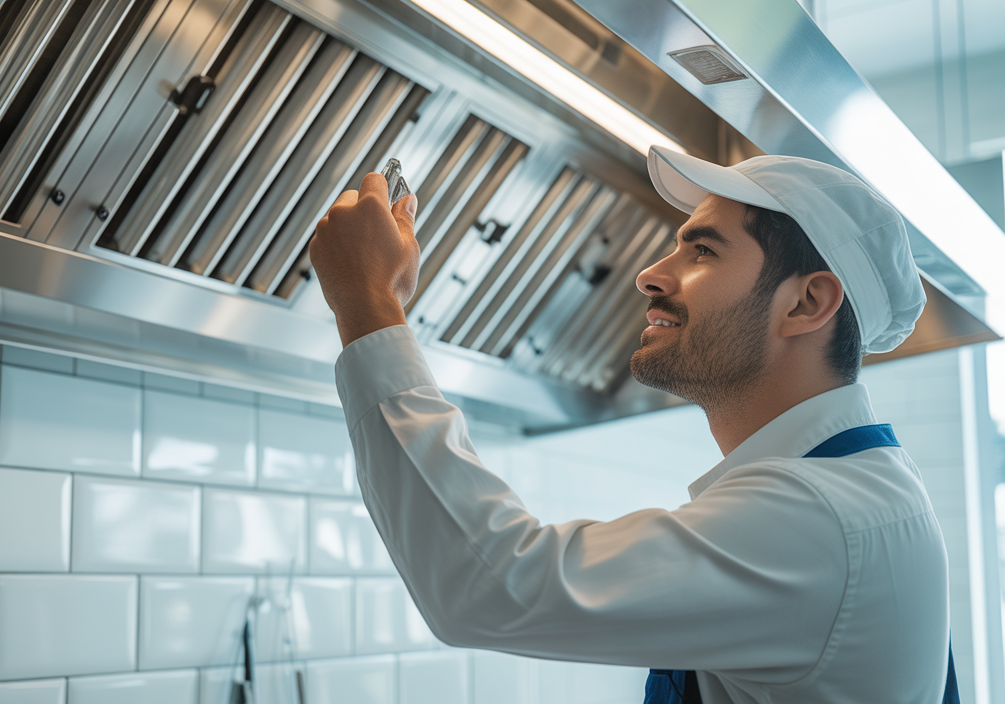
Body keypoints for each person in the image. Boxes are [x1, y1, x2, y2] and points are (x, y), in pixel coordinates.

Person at [309, 146, 957, 703]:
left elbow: (487, 584)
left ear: (806, 302)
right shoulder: (849, 493)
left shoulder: (819, 518)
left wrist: (368, 302)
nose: (650, 274)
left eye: (702, 250)